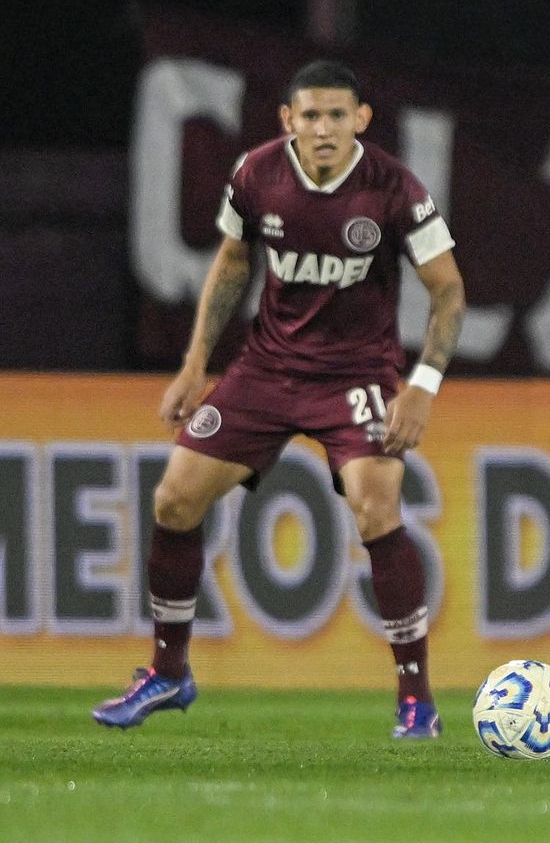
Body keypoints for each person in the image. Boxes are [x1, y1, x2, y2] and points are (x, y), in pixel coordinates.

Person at [92, 61, 466, 738]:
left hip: (358, 374)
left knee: (376, 505)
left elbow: (449, 291)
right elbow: (235, 262)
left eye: (337, 115)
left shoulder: (393, 188)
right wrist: (195, 365)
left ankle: (417, 699)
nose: (323, 128)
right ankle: (168, 673)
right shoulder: (255, 175)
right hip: (267, 369)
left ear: (361, 120)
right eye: (310, 116)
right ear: (288, 121)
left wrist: (422, 387)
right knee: (174, 498)